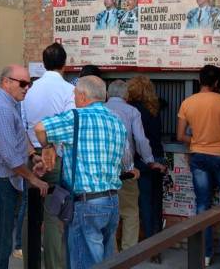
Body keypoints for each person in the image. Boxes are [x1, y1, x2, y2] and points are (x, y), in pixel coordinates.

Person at [34, 76, 134, 268]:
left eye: (74, 95)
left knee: (84, 263)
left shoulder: (76, 117)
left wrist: (47, 147)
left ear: (82, 95)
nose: (74, 99)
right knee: (105, 261)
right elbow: (125, 161)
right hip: (112, 201)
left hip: (87, 203)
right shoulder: (116, 120)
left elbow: (40, 127)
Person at [0, 65, 48, 269]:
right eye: (23, 83)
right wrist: (33, 178)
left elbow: (19, 135)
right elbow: (9, 156)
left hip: (4, 181)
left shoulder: (12, 104)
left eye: (29, 84)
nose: (27, 88)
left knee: (2, 243)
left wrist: (33, 155)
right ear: (6, 82)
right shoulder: (1, 108)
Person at [177, 65, 220, 267]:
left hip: (199, 157)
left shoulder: (188, 102)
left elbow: (180, 136)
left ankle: (204, 254)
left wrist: (197, 140)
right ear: (217, 83)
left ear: (199, 80)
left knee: (203, 204)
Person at [23, 44, 76, 269]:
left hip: (30, 154)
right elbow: (70, 125)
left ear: (43, 64)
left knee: (30, 213)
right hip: (56, 155)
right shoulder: (68, 90)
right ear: (65, 64)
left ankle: (31, 263)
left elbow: (23, 124)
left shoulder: (29, 89)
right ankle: (54, 265)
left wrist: (33, 151)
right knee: (54, 216)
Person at [104, 80, 165, 251]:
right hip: (126, 169)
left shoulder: (100, 109)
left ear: (108, 94)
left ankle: (111, 252)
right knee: (130, 211)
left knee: (108, 211)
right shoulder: (132, 111)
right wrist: (150, 161)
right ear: (126, 95)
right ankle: (129, 252)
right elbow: (140, 140)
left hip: (102, 170)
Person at [126, 76, 166, 260]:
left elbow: (139, 140)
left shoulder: (133, 110)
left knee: (145, 205)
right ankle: (158, 245)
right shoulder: (155, 109)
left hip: (143, 160)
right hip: (158, 158)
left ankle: (151, 249)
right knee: (156, 204)